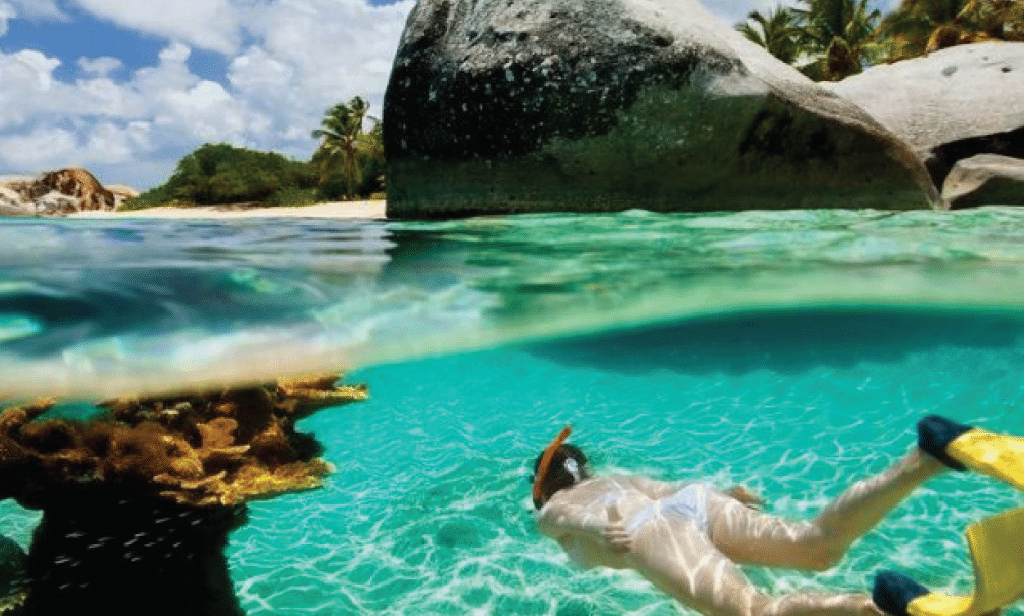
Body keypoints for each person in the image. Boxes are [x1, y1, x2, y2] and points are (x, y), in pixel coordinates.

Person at [531, 417, 989, 616]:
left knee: (754, 612)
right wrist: (724, 495)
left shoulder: (558, 504)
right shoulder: (617, 478)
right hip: (692, 500)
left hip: (641, 528)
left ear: (543, 485)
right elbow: (671, 492)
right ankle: (927, 456)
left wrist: (596, 528)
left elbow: (556, 519)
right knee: (816, 545)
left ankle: (886, 610)